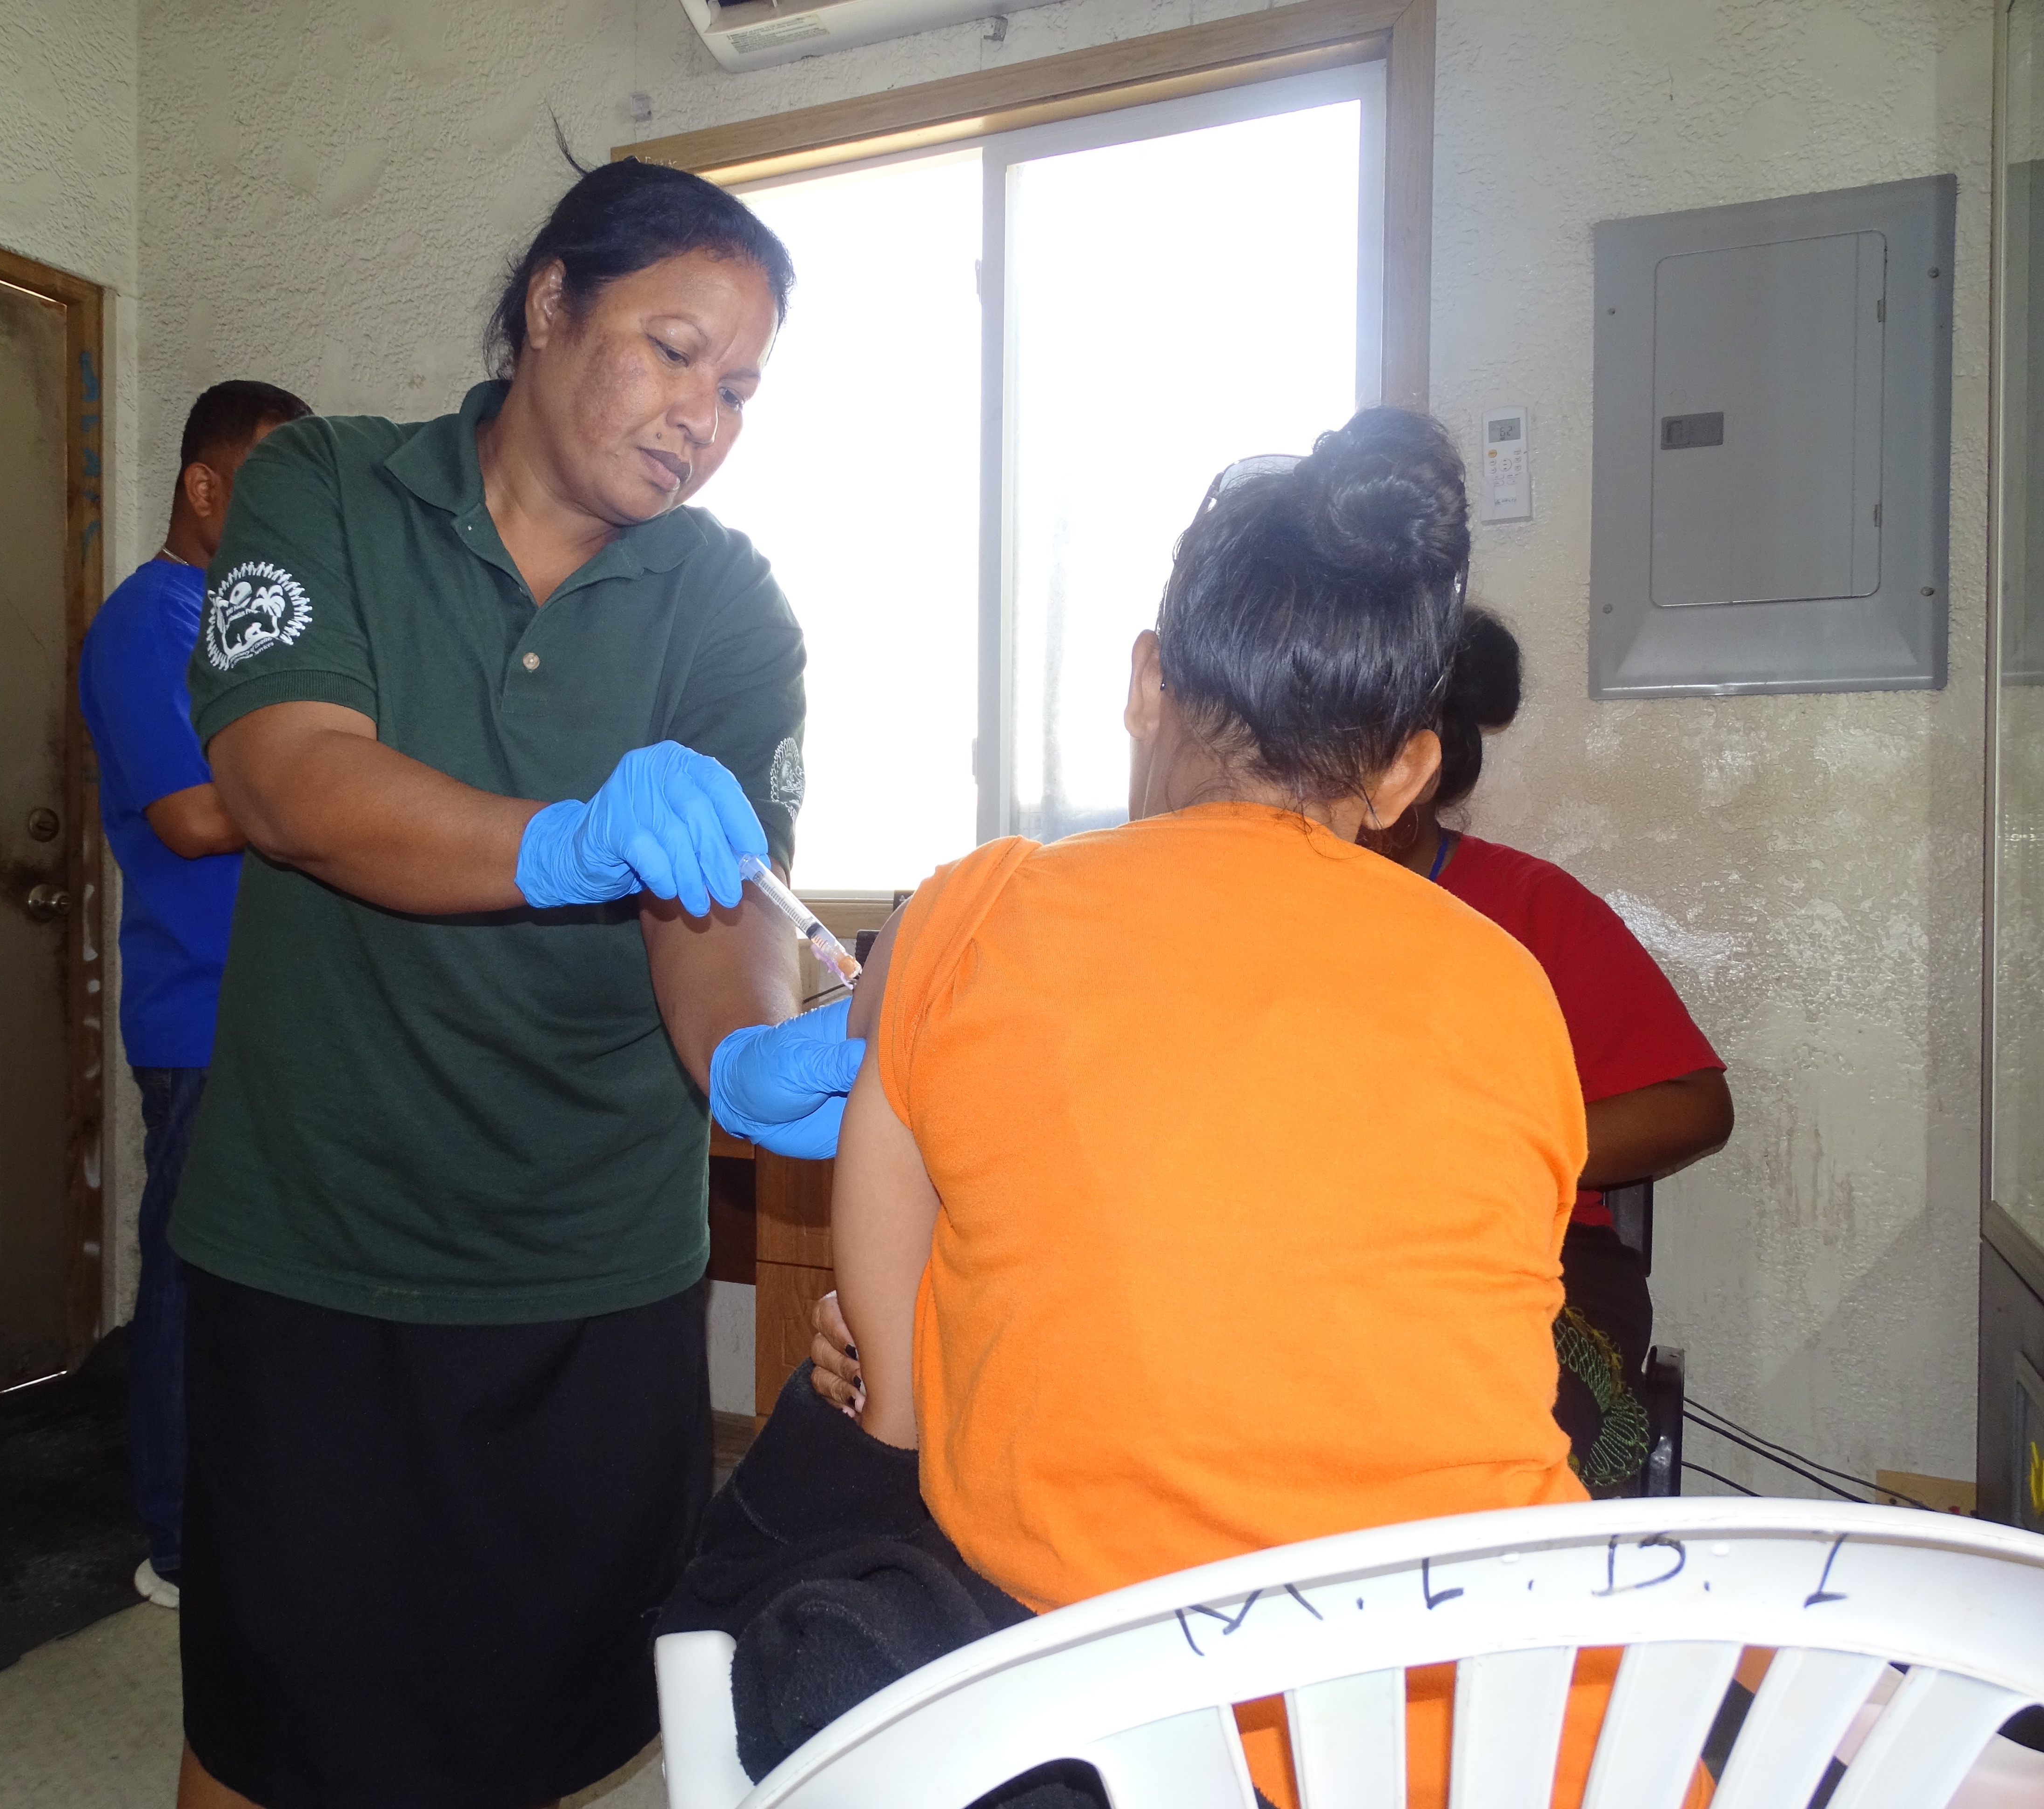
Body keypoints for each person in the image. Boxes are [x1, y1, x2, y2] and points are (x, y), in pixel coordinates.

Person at [688, 415, 1693, 1808]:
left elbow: (900, 1411)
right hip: (1506, 1717)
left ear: (1145, 682)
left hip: (1124, 1706)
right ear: (1406, 767)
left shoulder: (971, 913)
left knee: (758, 1558)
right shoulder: (1506, 981)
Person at [167, 160, 861, 1809]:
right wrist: (562, 839)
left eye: (742, 386)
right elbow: (287, 779)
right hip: (315, 1239)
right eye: (676, 348)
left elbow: (719, 914)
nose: (706, 413)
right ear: (551, 303)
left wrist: (758, 1055)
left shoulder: (726, 602)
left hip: (588, 1263)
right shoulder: (326, 488)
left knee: (529, 1728)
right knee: (270, 1728)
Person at [1360, 608, 1732, 1492]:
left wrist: (1499, 1153)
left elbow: (1695, 1104)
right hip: (1343, 1255)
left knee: (1467, 1440)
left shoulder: (1526, 905)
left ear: (1430, 765)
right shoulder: (1272, 905)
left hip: (1535, 1257)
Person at [76, 378, 311, 1610]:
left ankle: (252, 1508)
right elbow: (193, 815)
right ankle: (175, 1543)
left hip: (285, 1012)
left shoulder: (257, 626)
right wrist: (338, 791)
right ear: (204, 486)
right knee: (189, 1276)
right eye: (265, 489)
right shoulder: (146, 627)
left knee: (270, 1284)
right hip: (200, 1015)